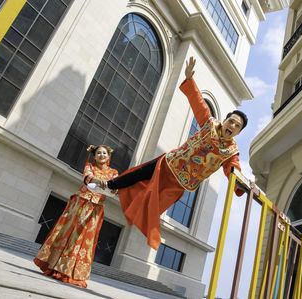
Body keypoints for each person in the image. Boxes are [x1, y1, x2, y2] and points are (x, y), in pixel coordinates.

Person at [100, 56, 249, 250]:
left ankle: (146, 228)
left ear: (238, 132)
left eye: (237, 126)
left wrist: (243, 184)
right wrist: (189, 79)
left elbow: (233, 171)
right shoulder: (209, 123)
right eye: (232, 121)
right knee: (140, 173)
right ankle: (111, 185)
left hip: (180, 182)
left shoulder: (230, 152)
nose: (233, 126)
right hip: (169, 163)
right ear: (226, 120)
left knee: (153, 202)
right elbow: (198, 102)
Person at [33, 145, 118, 288]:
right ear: (94, 155)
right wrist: (100, 182)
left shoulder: (114, 172)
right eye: (99, 153)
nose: (102, 155)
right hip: (80, 204)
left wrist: (113, 187)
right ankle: (55, 266)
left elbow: (115, 188)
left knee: (84, 238)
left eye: (104, 153)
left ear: (108, 156)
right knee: (68, 232)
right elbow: (88, 178)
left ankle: (71, 272)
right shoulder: (89, 166)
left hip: (95, 208)